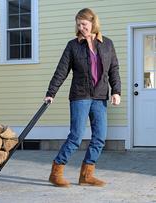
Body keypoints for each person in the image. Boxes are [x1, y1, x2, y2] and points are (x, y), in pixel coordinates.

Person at [44, 8, 121, 187]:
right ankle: (56, 172)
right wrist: (51, 92)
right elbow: (61, 70)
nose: (81, 27)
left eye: (84, 24)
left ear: (93, 22)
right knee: (76, 136)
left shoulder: (107, 44)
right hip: (80, 95)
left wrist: (116, 91)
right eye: (78, 24)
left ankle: (86, 175)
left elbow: (113, 70)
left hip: (100, 96)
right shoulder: (73, 45)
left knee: (100, 137)